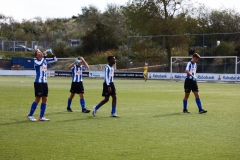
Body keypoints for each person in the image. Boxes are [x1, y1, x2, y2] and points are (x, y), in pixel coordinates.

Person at [27, 49, 57, 121]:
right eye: (39, 52)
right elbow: (40, 63)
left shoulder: (44, 60)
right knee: (37, 99)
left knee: (45, 98)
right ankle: (30, 115)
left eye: (41, 52)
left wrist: (51, 53)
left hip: (44, 82)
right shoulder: (36, 61)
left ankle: (41, 116)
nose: (40, 53)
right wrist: (44, 56)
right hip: (38, 82)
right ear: (37, 55)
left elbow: (55, 59)